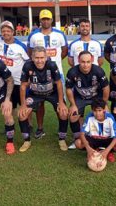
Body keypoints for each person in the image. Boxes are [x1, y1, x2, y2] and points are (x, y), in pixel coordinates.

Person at [18, 47, 69, 152]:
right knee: (22, 115)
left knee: (63, 112)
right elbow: (23, 86)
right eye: (36, 58)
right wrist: (23, 105)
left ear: (46, 57)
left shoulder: (52, 65)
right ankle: (26, 141)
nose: (39, 60)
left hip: (52, 93)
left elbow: (59, 83)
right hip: (35, 94)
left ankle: (62, 139)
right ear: (32, 57)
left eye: (42, 57)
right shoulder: (27, 66)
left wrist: (61, 102)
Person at [28, 9, 68, 139]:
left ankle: (62, 130)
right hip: (38, 76)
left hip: (57, 75)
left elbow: (64, 51)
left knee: (60, 103)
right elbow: (30, 53)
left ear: (51, 20)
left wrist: (53, 64)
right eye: (43, 19)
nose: (45, 21)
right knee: (39, 104)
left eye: (48, 19)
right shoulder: (33, 35)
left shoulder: (60, 34)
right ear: (39, 20)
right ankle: (40, 128)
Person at [66, 51, 110, 149]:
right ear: (78, 61)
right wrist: (73, 105)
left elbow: (106, 88)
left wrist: (104, 103)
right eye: (83, 62)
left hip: (96, 97)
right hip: (80, 97)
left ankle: (102, 138)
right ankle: (78, 139)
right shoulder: (72, 72)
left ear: (92, 60)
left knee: (104, 113)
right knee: (73, 116)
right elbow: (68, 89)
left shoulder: (98, 71)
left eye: (88, 62)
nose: (85, 65)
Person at [0, 21, 29, 118]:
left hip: (19, 82)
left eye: (8, 31)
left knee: (24, 104)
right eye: (3, 31)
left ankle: (29, 125)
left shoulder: (21, 46)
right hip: (4, 82)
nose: (5, 33)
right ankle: (11, 125)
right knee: (10, 105)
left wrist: (27, 79)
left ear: (13, 32)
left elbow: (28, 63)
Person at [75, 98, 116, 163]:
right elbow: (82, 134)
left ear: (104, 110)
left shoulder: (110, 118)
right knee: (78, 143)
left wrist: (106, 151)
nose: (97, 113)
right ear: (92, 110)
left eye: (99, 110)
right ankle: (93, 150)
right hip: (93, 139)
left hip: (107, 140)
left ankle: (109, 152)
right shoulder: (89, 116)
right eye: (95, 111)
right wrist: (88, 149)